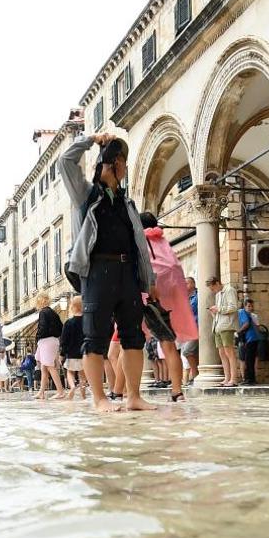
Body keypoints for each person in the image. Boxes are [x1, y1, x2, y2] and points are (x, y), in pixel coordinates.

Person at [57, 127, 157, 413]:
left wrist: (148, 280)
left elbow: (138, 244)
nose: (126, 166)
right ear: (112, 164)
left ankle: (134, 396)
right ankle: (100, 399)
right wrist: (90, 140)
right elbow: (65, 162)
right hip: (97, 270)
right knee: (95, 337)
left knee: (133, 336)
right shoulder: (85, 194)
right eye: (123, 160)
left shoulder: (127, 203)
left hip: (127, 272)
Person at [139, 211, 197, 402]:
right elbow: (175, 270)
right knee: (170, 345)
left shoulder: (139, 242)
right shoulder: (164, 243)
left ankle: (122, 392)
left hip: (146, 297)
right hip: (166, 302)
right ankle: (177, 391)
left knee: (128, 345)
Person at [33, 293, 64, 400]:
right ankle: (41, 392)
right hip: (53, 340)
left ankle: (60, 391)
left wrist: (38, 337)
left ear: (39, 301)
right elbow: (61, 327)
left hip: (46, 341)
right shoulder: (54, 313)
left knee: (50, 366)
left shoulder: (43, 312)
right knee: (44, 368)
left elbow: (42, 327)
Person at [210, 276, 239, 387]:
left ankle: (234, 379)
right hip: (218, 325)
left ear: (217, 283)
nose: (213, 291)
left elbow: (233, 307)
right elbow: (219, 309)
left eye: (213, 288)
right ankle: (227, 378)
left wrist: (219, 309)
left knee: (229, 352)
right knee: (221, 353)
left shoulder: (229, 290)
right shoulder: (218, 295)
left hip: (227, 325)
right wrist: (214, 311)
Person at [60, 295, 87, 398]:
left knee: (70, 372)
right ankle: (83, 393)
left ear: (72, 307)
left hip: (71, 353)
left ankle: (72, 387)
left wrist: (62, 353)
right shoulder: (86, 322)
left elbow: (64, 339)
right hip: (83, 353)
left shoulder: (68, 323)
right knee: (82, 373)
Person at [237, 298, 260, 385]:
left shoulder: (242, 312)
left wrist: (239, 331)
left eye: (251, 306)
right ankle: (251, 379)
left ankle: (248, 379)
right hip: (253, 339)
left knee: (248, 360)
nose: (250, 308)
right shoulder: (248, 314)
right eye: (249, 306)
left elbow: (246, 324)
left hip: (250, 339)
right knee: (250, 360)